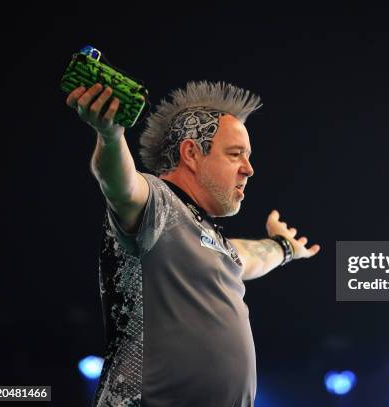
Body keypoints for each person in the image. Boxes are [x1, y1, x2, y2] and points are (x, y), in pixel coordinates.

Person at [66, 80, 320, 406]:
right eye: (235, 154)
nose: (249, 169)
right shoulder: (158, 205)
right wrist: (111, 136)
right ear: (191, 154)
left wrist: (283, 247)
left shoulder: (212, 242)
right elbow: (120, 185)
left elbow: (249, 257)